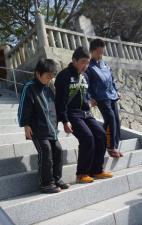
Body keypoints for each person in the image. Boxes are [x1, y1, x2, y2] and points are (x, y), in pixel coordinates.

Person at [55, 47, 113, 184]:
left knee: (101, 134)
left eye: (87, 62)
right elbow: (60, 100)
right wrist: (64, 120)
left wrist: (89, 100)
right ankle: (82, 173)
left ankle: (96, 170)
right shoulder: (64, 76)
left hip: (86, 113)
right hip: (72, 114)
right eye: (82, 62)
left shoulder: (86, 75)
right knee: (87, 137)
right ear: (74, 60)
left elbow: (86, 92)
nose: (85, 66)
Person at [18, 58, 70, 193]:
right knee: (46, 151)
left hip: (51, 129)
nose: (50, 80)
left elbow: (52, 109)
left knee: (57, 149)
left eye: (51, 77)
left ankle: (56, 179)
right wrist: (25, 124)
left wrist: (59, 123)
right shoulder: (29, 87)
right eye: (47, 77)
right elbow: (24, 107)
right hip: (37, 129)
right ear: (38, 73)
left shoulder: (48, 90)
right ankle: (46, 183)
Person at [86, 39, 123, 158]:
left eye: (102, 52)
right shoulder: (89, 66)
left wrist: (117, 91)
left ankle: (113, 145)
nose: (101, 55)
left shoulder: (105, 65)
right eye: (99, 52)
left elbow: (112, 80)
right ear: (92, 51)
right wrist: (90, 97)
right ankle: (110, 147)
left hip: (112, 96)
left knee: (116, 120)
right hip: (101, 97)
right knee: (110, 118)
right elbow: (86, 84)